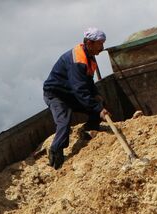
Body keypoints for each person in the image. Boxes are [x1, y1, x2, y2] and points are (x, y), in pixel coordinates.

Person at [43, 27, 111, 169]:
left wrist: (96, 95)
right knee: (64, 121)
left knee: (97, 103)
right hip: (56, 94)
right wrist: (98, 109)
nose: (102, 47)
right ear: (89, 43)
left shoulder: (89, 57)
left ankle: (88, 129)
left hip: (71, 92)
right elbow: (80, 89)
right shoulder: (77, 60)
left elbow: (88, 81)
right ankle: (56, 152)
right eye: (100, 44)